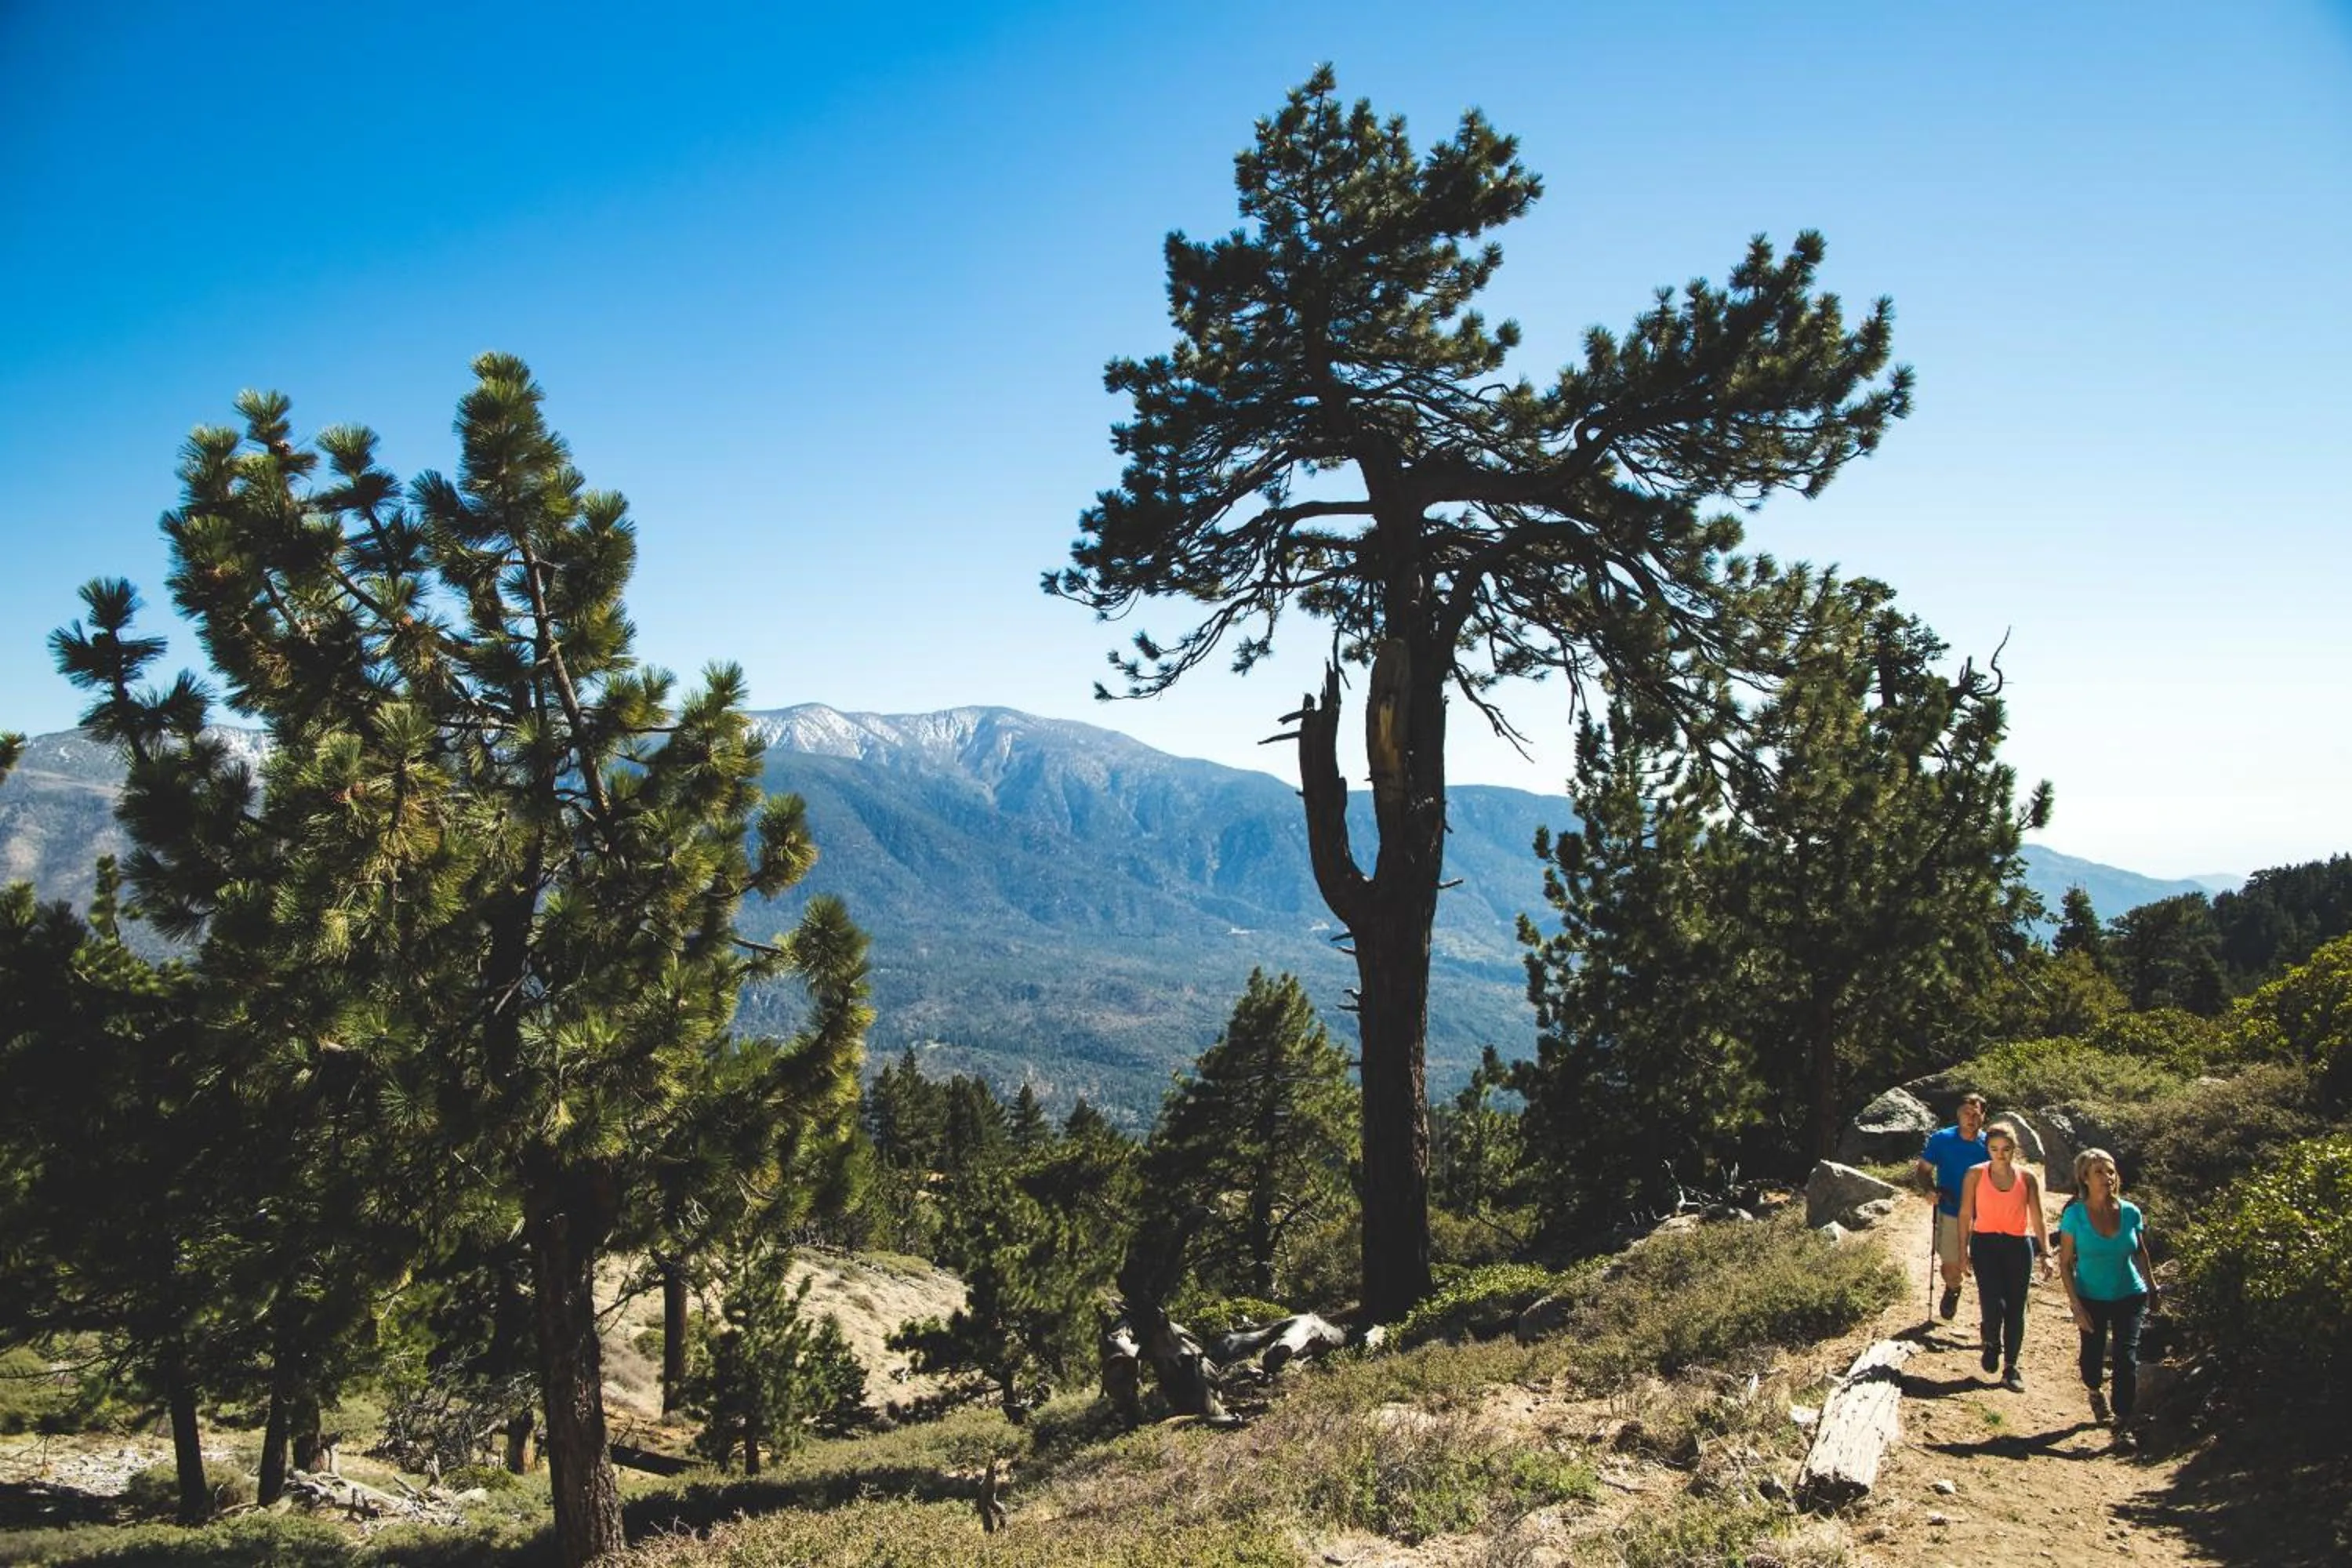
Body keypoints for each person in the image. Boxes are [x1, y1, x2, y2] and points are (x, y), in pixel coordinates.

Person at [2057, 1147, 2159, 1451]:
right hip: (2091, 1296)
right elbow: (2065, 1263)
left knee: (2126, 1358)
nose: (2107, 1177)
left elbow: (2140, 1251)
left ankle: (2122, 1421)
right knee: (2092, 1357)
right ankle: (2093, 1389)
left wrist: (2152, 1288)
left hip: (2130, 1293)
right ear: (2085, 1179)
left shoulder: (2130, 1212)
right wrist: (2076, 1305)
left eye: (2111, 1171)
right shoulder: (2074, 1215)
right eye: (2099, 1171)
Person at [1958, 1120, 2053, 1388]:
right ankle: (1991, 1340)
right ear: (1987, 1149)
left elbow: (2038, 1217)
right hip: (1984, 1244)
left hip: (2018, 1245)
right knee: (1992, 1302)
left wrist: (2046, 1252)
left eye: (2006, 1149)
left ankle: (2011, 1368)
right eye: (1994, 1148)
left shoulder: (2027, 1178)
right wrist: (1963, 1250)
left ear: (2014, 1149)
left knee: (2016, 1307)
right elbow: (1966, 1213)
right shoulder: (1975, 1174)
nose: (2000, 1154)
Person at [1915, 1092, 1991, 1319]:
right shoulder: (1941, 1139)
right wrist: (1929, 1189)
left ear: (1983, 1116)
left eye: (1976, 1114)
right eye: (1966, 1113)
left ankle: (1991, 1314)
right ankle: (1953, 1288)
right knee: (1951, 1264)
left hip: (1984, 1214)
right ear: (1958, 1115)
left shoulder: (1989, 1144)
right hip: (1950, 1209)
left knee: (1986, 1266)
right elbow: (1923, 1170)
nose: (1971, 1119)